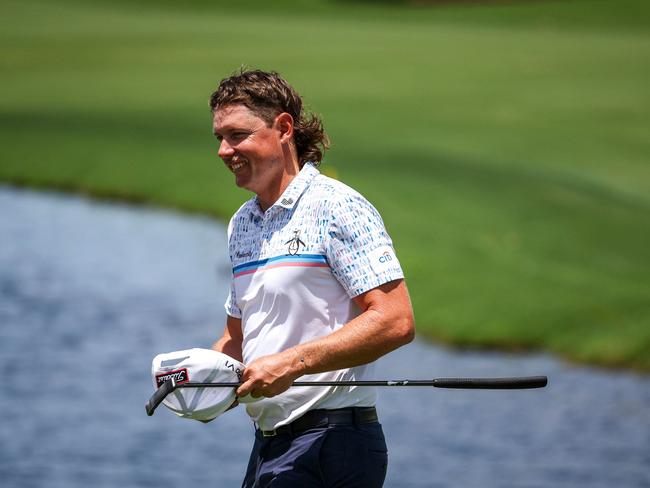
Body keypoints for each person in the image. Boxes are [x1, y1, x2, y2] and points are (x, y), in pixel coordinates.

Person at [209, 69, 415, 488]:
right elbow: (237, 338)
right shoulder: (243, 223)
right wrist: (199, 379)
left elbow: (396, 320)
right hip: (270, 442)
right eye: (219, 138)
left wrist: (291, 363)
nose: (223, 150)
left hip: (332, 441)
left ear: (283, 128)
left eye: (236, 135)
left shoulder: (337, 207)